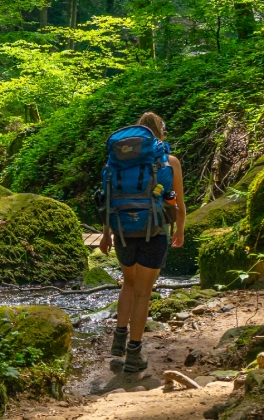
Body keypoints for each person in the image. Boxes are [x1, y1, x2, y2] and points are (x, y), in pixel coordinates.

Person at [100, 112, 186, 372]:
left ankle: (119, 337)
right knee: (143, 293)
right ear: (160, 133)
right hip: (154, 231)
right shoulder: (169, 162)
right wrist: (179, 230)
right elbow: (177, 202)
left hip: (122, 231)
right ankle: (134, 354)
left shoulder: (116, 163)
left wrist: (106, 234)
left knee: (128, 282)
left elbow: (107, 199)